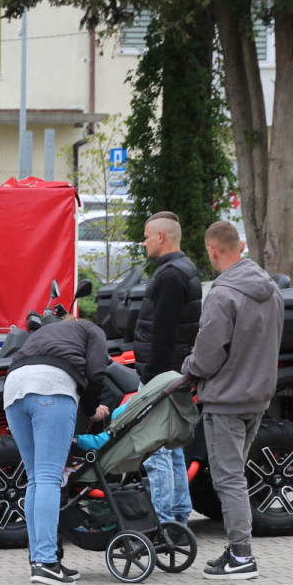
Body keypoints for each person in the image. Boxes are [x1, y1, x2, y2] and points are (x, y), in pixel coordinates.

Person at [181, 220, 284, 580]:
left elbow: (208, 355)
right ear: (240, 245)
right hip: (257, 396)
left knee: (229, 480)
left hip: (225, 399)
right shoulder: (270, 289)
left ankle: (242, 555)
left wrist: (189, 366)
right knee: (234, 476)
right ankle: (237, 550)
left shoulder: (223, 294)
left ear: (212, 251)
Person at [4, 319, 111, 585]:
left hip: (13, 388)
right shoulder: (93, 330)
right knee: (50, 477)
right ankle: (47, 563)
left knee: (35, 478)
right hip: (52, 388)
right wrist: (90, 409)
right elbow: (97, 372)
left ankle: (39, 559)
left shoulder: (46, 332)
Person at [134, 212, 201, 525]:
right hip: (173, 373)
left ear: (161, 237)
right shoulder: (180, 269)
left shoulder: (171, 275)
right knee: (172, 448)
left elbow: (163, 331)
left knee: (155, 449)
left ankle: (163, 522)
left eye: (147, 236)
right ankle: (178, 517)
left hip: (161, 376)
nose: (144, 242)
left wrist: (150, 380)